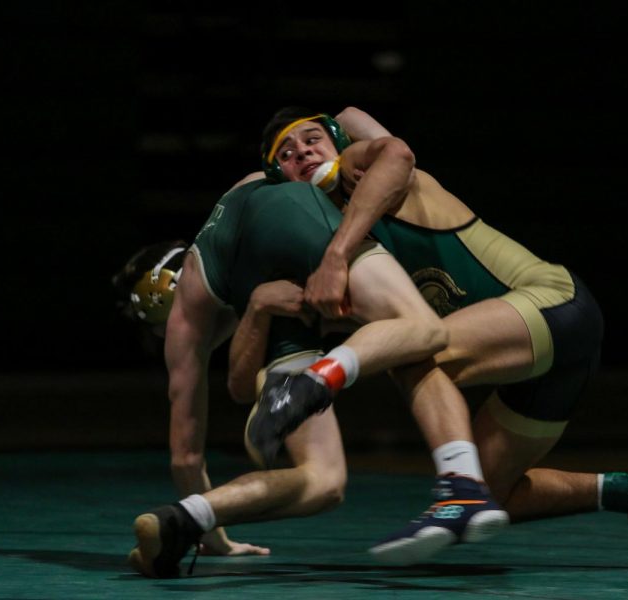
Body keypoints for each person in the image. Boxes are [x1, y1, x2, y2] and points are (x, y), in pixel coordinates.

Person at [126, 107, 628, 576]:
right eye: (285, 154)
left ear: (340, 146)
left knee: (405, 348)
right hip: (540, 362)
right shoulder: (327, 237)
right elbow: (235, 384)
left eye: (312, 139)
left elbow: (391, 150)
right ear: (277, 179)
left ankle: (367, 422)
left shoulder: (376, 180)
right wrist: (265, 301)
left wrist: (335, 250)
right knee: (497, 495)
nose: (301, 153)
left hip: (553, 306)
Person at [124, 157, 507, 577]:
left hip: (291, 227)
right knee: (326, 479)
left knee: (420, 334)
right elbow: (237, 389)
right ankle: (186, 519)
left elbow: (186, 456)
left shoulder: (189, 314)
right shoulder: (238, 244)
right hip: (293, 235)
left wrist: (339, 248)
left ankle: (314, 391)